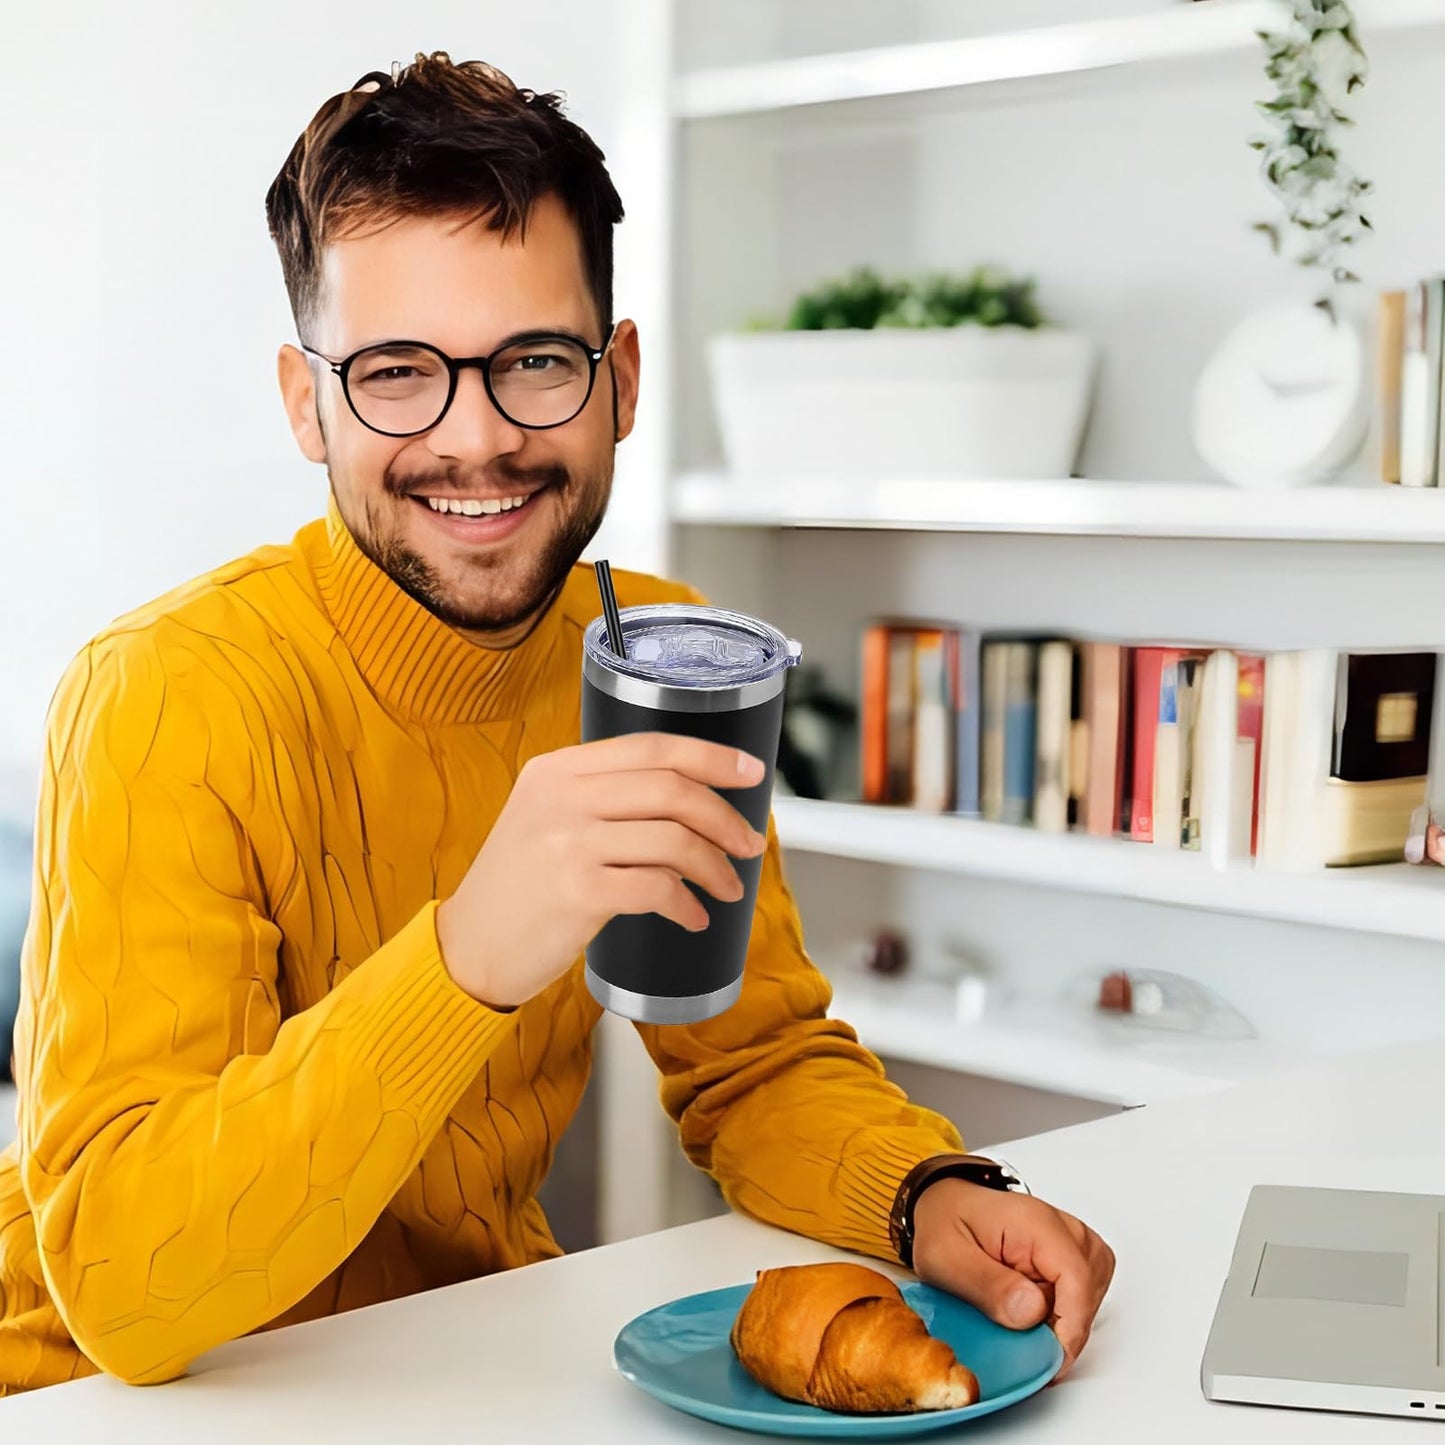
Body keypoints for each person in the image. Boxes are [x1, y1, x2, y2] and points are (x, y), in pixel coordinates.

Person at [0, 53, 1113, 1396]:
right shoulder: (164, 691)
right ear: (307, 403)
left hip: (466, 1365)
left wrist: (920, 1189)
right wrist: (479, 940)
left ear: (619, 379)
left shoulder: (657, 656)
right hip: (111, 1398)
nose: (476, 440)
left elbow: (750, 1060)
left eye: (534, 360)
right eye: (397, 372)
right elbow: (123, 1288)